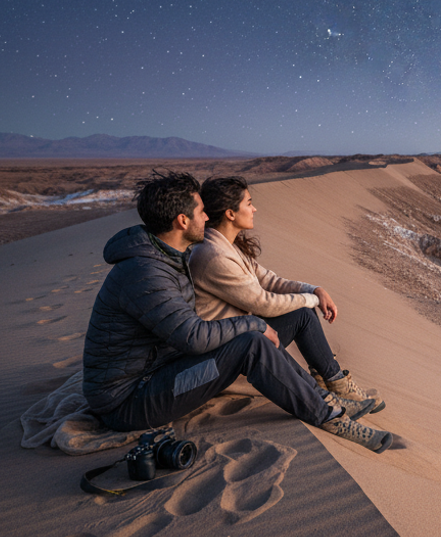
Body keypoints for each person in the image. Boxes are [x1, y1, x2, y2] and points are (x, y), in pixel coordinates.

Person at [82, 171, 392, 453]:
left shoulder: (165, 257)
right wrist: (253, 324)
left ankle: (327, 397)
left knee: (261, 333)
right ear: (182, 221)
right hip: (131, 401)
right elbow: (193, 337)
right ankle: (330, 417)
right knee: (250, 343)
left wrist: (306, 295)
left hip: (162, 369)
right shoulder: (146, 273)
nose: (207, 217)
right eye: (202, 212)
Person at [189, 175, 386, 417]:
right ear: (230, 213)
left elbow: (270, 281)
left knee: (302, 312)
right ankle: (330, 391)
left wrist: (314, 289)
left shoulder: (227, 246)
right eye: (249, 203)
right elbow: (263, 304)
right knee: (303, 311)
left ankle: (334, 385)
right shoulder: (214, 256)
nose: (254, 209)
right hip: (230, 353)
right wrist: (311, 299)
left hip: (241, 337)